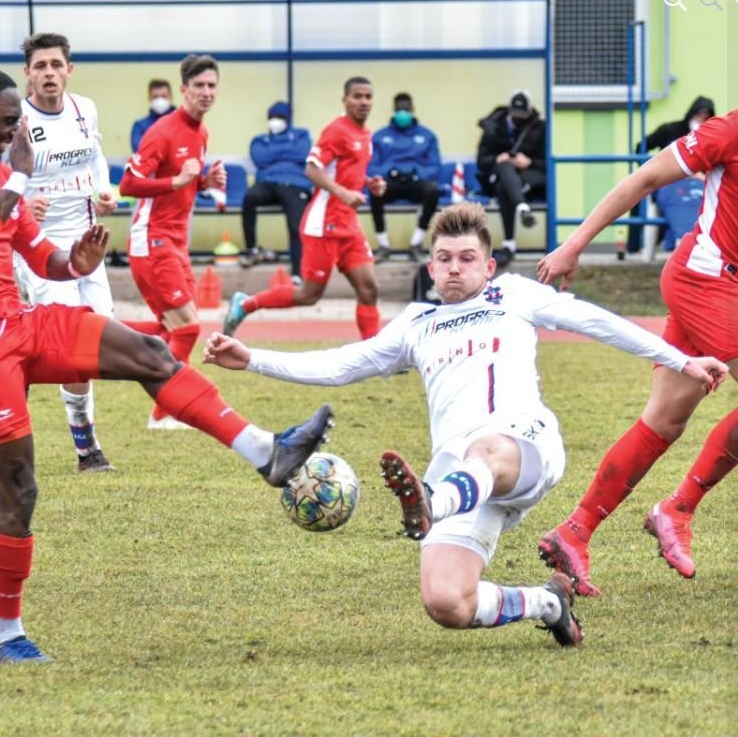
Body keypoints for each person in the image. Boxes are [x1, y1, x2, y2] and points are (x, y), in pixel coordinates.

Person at [0, 66, 334, 664]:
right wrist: (20, 180)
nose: (15, 135)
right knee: (21, 490)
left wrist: (74, 263)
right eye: (9, 123)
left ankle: (268, 452)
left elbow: (40, 255)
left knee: (150, 352)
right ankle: (4, 633)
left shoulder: (0, 172)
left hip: (21, 320)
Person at [205, 202, 726, 647]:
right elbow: (341, 364)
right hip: (460, 473)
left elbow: (596, 321)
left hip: (524, 446)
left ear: (489, 265)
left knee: (485, 450)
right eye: (444, 259)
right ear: (430, 268)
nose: (455, 268)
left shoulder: (513, 296)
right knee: (447, 602)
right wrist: (252, 357)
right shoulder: (416, 324)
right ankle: (546, 604)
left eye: (467, 259)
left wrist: (682, 361)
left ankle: (434, 504)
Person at [537, 108, 738, 596]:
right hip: (705, 281)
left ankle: (575, 531)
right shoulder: (729, 130)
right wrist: (575, 244)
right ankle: (678, 507)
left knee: (663, 422)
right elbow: (644, 178)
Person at [12, 32, 118, 473]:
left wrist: (105, 190)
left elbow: (95, 160)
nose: (49, 73)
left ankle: (16, 359)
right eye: (40, 66)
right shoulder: (14, 119)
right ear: (28, 74)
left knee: (99, 337)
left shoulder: (84, 109)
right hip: (39, 248)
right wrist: (19, 204)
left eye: (56, 65)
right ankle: (87, 449)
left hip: (86, 243)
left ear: (69, 69)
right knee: (72, 347)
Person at [223, 77, 386, 341]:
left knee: (369, 289)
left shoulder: (365, 134)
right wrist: (343, 193)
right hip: (323, 224)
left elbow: (346, 171)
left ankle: (377, 355)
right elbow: (312, 169)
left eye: (368, 96)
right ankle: (245, 304)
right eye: (357, 96)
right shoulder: (336, 131)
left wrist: (369, 183)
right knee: (308, 295)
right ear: (345, 100)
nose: (364, 102)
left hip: (348, 225)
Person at [119, 54, 227, 430]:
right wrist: (178, 182)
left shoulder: (201, 132)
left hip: (176, 243)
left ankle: (105, 328)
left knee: (172, 330)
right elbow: (128, 185)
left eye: (212, 86)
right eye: (199, 86)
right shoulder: (162, 131)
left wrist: (203, 183)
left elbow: (184, 180)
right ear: (184, 90)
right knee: (187, 329)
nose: (206, 92)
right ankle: (163, 415)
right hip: (152, 240)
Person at [626, 96, 715, 254]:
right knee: (638, 195)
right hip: (668, 182)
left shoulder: (711, 137)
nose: (701, 121)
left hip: (697, 184)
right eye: (698, 116)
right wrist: (651, 170)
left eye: (706, 118)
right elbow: (642, 147)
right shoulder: (670, 131)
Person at [240, 101, 311, 278]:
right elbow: (259, 158)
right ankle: (252, 249)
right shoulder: (259, 140)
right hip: (268, 183)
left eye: (279, 117)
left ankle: (297, 273)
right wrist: (287, 151)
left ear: (288, 119)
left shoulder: (302, 135)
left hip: (294, 184)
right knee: (249, 198)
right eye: (271, 117)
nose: (275, 121)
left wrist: (273, 153)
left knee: (296, 227)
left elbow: (303, 154)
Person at [475, 90, 546, 268]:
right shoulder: (493, 127)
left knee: (503, 188)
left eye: (522, 115)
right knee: (504, 169)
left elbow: (546, 162)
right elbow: (481, 161)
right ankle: (522, 208)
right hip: (496, 178)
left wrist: (528, 162)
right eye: (515, 115)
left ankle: (509, 245)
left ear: (530, 112)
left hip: (529, 180)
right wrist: (498, 159)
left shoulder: (539, 128)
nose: (518, 119)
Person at [369, 92, 441, 263]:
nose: (403, 113)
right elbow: (372, 166)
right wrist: (389, 172)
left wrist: (416, 173)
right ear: (394, 111)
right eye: (399, 109)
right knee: (375, 189)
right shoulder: (380, 136)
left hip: (416, 183)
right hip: (391, 183)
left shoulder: (427, 135)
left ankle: (416, 243)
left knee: (433, 191)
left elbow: (434, 165)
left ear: (412, 109)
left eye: (406, 109)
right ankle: (383, 245)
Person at [130, 79, 176, 152]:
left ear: (171, 97)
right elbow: (140, 151)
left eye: (164, 96)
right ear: (149, 98)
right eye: (155, 97)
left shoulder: (183, 123)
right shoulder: (140, 126)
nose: (160, 100)